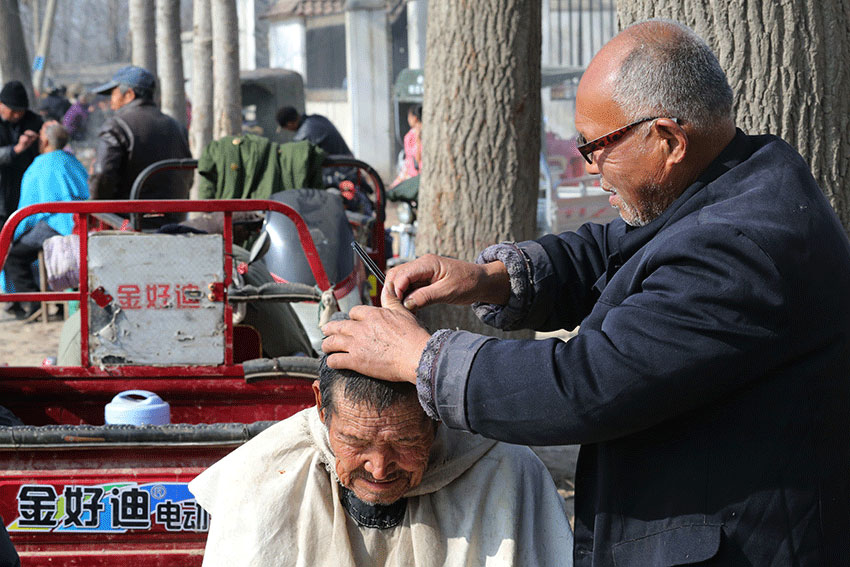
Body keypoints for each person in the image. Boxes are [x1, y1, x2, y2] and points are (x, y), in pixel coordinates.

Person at [321, 19, 850, 567]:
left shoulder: (740, 247)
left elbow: (586, 385)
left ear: (667, 140)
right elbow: (613, 253)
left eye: (597, 146)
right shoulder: (732, 180)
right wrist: (491, 280)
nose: (587, 165)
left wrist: (421, 359)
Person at [189, 357, 573, 566]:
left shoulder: (505, 469)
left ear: (437, 414)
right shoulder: (263, 472)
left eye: (405, 442)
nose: (378, 468)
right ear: (321, 406)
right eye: (355, 442)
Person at [4, 122, 88, 320]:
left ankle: (35, 304)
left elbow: (27, 210)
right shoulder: (74, 162)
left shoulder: (39, 166)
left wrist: (13, 235)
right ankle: (58, 305)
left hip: (56, 224)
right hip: (80, 223)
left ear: (46, 140)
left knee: (15, 255)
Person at [88, 66, 191, 227]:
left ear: (129, 94)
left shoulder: (117, 125)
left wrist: (99, 210)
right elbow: (187, 176)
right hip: (173, 221)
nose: (111, 102)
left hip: (129, 222)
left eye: (114, 94)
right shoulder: (176, 126)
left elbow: (102, 175)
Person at [0, 80, 43, 227]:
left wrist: (37, 141)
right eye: (13, 110)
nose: (17, 115)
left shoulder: (34, 121)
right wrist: (16, 149)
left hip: (24, 186)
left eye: (21, 110)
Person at [276, 105, 352, 157]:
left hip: (339, 172)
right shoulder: (316, 119)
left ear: (290, 124)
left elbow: (293, 151)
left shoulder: (306, 131)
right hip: (347, 165)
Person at [390, 104, 422, 189]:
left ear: (414, 118)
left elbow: (413, 160)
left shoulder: (411, 136)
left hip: (414, 177)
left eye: (409, 116)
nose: (408, 119)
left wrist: (396, 183)